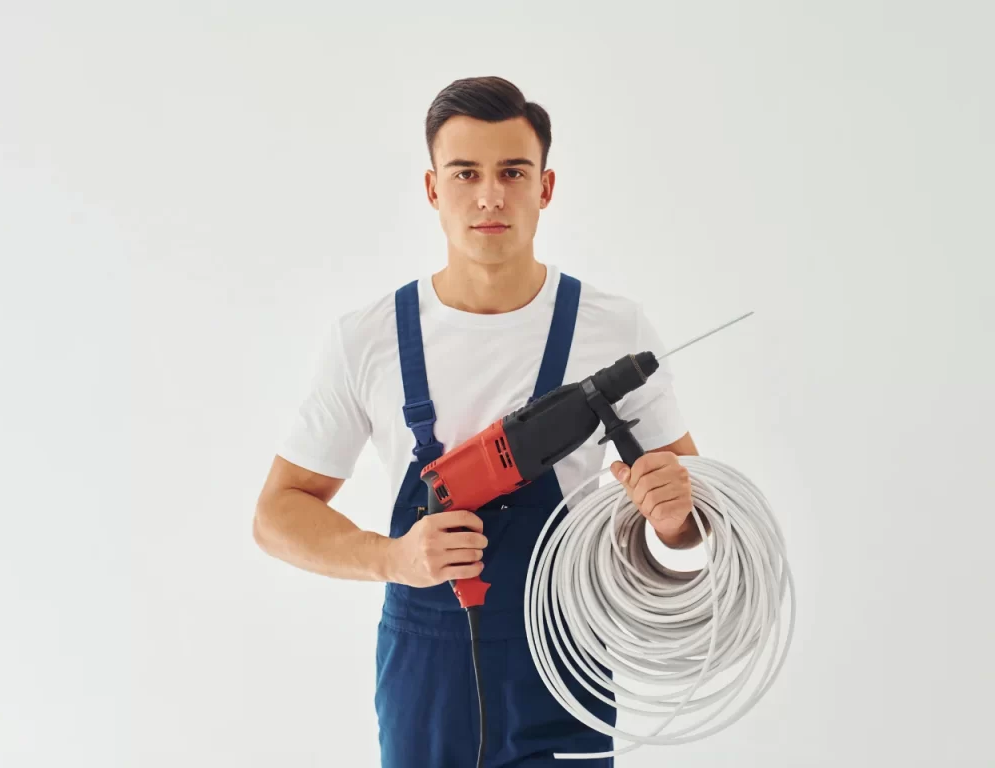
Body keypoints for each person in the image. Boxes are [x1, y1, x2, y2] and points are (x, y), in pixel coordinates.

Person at [253, 75, 700, 767]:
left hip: (567, 659)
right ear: (434, 189)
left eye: (512, 172)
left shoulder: (614, 330)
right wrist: (393, 557)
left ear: (545, 188)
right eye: (465, 173)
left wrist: (672, 519)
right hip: (426, 675)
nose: (490, 195)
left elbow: (694, 517)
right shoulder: (367, 339)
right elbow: (277, 514)